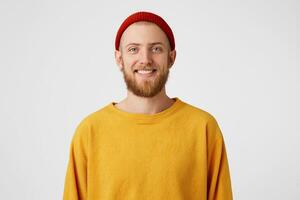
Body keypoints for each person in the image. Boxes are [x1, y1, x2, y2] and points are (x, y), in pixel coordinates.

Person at [63, 11, 233, 200]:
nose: (145, 59)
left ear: (171, 57)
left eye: (156, 49)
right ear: (119, 58)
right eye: (133, 49)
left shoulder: (203, 128)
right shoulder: (89, 132)